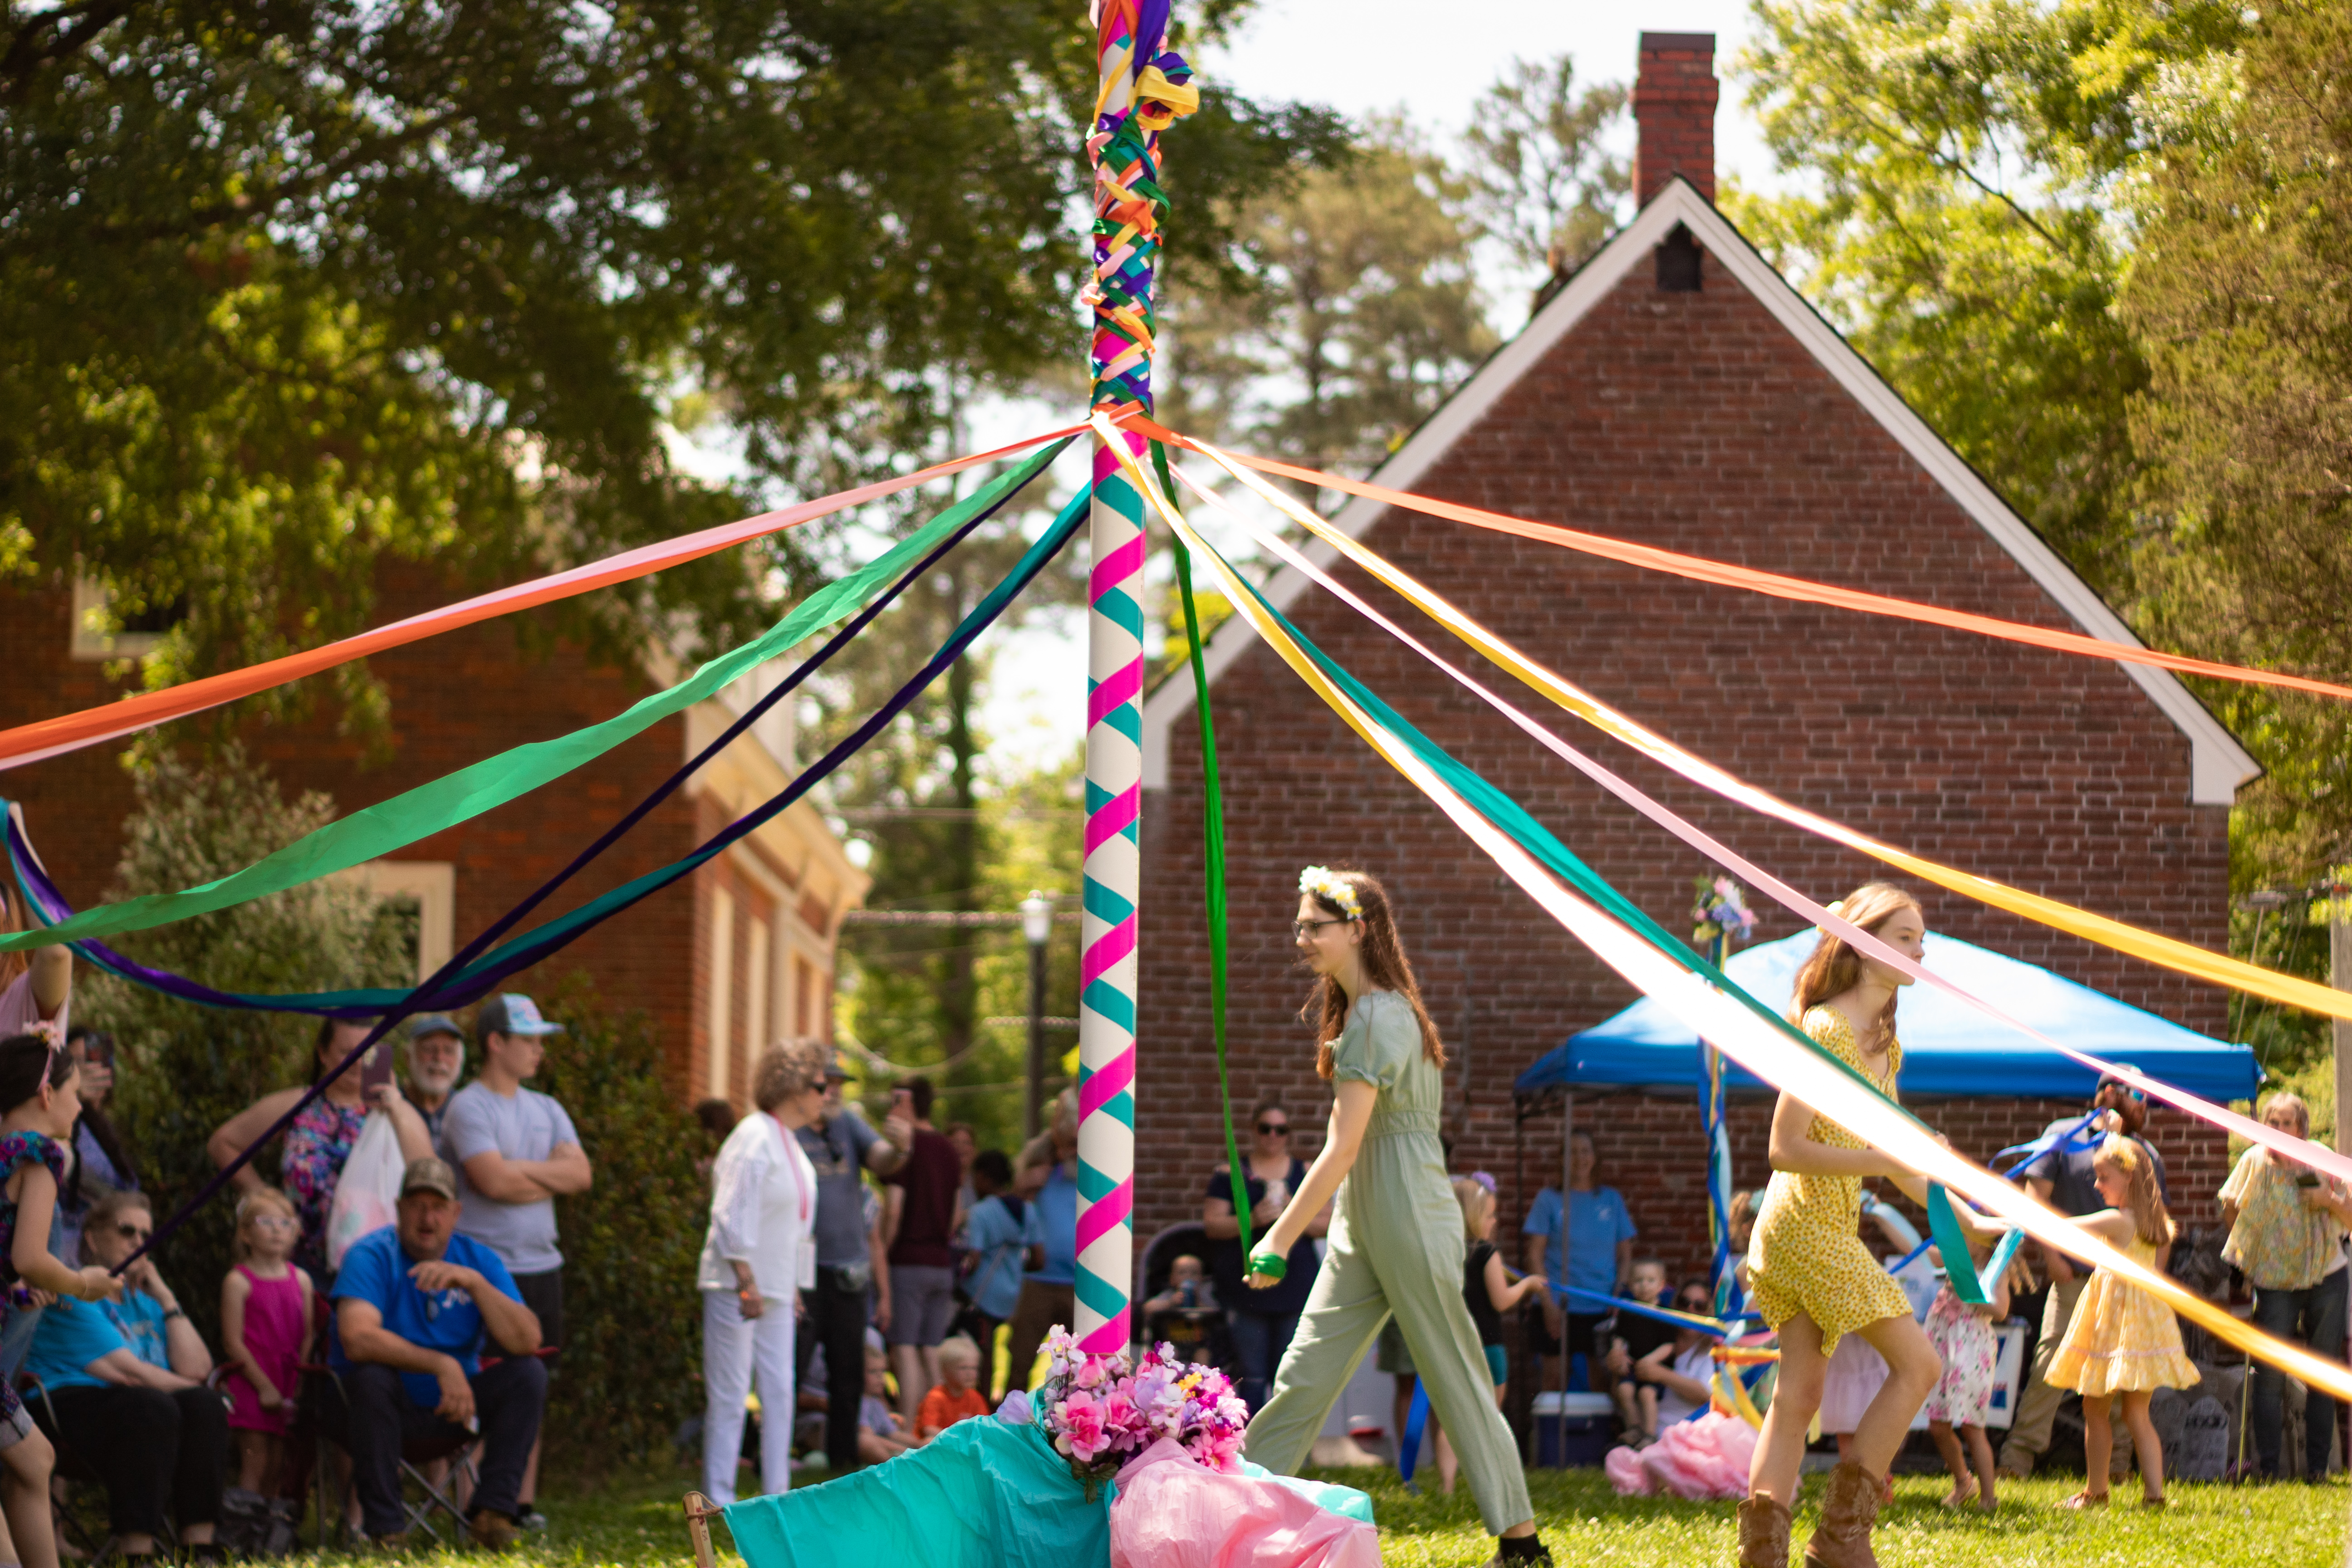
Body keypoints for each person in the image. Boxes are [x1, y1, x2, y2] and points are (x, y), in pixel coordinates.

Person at [1241, 867, 1547, 1567]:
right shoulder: (1367, 1014)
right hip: (1365, 1217)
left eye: (1315, 926)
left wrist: (1280, 1236)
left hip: (1408, 1209)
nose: (1303, 938)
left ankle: (1522, 1543)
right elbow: (1350, 1151)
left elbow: (1343, 1146)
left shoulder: (1379, 1017)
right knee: (1306, 1370)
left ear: (1358, 929)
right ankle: (1229, 1504)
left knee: (1454, 1371)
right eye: (1299, 926)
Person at [1737, 884, 1950, 1568]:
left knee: (1799, 1396)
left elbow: (1897, 1167)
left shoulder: (1888, 1049)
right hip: (1802, 1225)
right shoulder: (1826, 1029)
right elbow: (1784, 1148)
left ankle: (1763, 1558)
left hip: (1826, 1228)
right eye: (1907, 937)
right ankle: (1840, 1539)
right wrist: (1883, 1158)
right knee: (1919, 1365)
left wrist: (1967, 1217)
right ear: (1861, 943)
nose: (1922, 950)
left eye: (1922, 938)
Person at [321, 1156, 544, 1550]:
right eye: (418, 1206)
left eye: (439, 1207)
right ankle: (386, 1531)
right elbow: (357, 1338)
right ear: (400, 1208)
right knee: (371, 1377)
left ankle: (493, 1515)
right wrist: (441, 1364)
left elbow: (527, 1340)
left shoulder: (477, 1260)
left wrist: (476, 1285)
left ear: (456, 1213)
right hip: (374, 1414)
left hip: (454, 1411)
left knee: (529, 1374)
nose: (428, 1218)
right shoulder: (370, 1254)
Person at [443, 993, 588, 1523]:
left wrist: (518, 1174)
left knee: (535, 1383)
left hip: (542, 1267)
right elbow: (490, 1181)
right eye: (528, 1040)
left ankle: (517, 1503)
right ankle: (463, 1502)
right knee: (480, 1384)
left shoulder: (548, 1107)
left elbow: (581, 1176)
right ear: (495, 1042)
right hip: (483, 1269)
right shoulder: (468, 1106)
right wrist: (542, 1175)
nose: (538, 1051)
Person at [25, 1189, 223, 1564]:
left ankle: (202, 1548)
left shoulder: (145, 1302)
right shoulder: (73, 1293)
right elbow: (127, 1372)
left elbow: (198, 1370)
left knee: (202, 1406)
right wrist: (216, 1395)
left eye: (146, 1235)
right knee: (150, 1405)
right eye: (127, 1231)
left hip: (144, 1411)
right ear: (92, 1239)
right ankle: (136, 1553)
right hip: (65, 1410)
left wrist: (166, 1299)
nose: (138, 1242)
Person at [1995, 1070, 2166, 1480]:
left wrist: (2155, 1285)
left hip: (2126, 1289)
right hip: (2074, 1277)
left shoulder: (2145, 1155)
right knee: (2052, 1361)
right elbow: (2036, 1196)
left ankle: (2118, 1467)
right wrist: (2052, 1257)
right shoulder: (2063, 1135)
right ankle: (2017, 1460)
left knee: (2123, 1372)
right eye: (2137, 1097)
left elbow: (2158, 1225)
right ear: (2108, 1094)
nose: (2144, 1107)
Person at [0, 1033, 126, 1568]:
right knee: (32, 1457)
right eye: (74, 1092)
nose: (81, 1106)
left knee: (33, 1460)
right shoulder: (40, 1154)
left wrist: (17, 1290)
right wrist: (82, 1284)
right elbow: (30, 1253)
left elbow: (14, 1263)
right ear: (47, 1093)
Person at [206, 1018, 436, 1284]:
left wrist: (395, 1108)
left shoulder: (393, 1112)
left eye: (367, 1052)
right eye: (347, 1052)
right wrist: (262, 1197)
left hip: (371, 1271)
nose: (359, 1061)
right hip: (297, 1266)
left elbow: (428, 1172)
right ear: (323, 1053)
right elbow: (223, 1144)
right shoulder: (298, 1104)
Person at [698, 1043, 826, 1504]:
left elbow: (793, 1228)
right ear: (792, 1088)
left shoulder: (790, 1141)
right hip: (738, 1284)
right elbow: (730, 1213)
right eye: (819, 1085)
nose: (825, 1095)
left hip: (774, 1288)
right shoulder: (753, 1135)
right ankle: (719, 1503)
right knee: (731, 1398)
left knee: (780, 1394)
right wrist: (747, 1280)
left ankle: (776, 1499)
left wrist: (791, 1285)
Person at [2044, 1133, 2197, 1508]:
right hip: (2144, 1326)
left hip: (2113, 1325)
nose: (2097, 1185)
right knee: (2136, 1414)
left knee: (2095, 1410)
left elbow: (2066, 1228)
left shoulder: (2117, 1219)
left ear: (2128, 1177)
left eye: (2104, 1177)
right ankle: (2155, 1495)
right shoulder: (2158, 1224)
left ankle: (2096, 1492)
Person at [2217, 1090, 2352, 1482]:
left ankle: (2317, 1470)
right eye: (2271, 1123)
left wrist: (2327, 1198)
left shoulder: (2320, 1159)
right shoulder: (2253, 1161)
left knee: (2322, 1373)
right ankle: (2269, 1469)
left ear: (2302, 1128)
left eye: (2285, 1123)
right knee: (2270, 1374)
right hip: (2276, 1280)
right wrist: (2251, 1250)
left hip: (2326, 1274)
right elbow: (2231, 1207)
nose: (2276, 1129)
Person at [792, 1057, 910, 1474]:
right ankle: (779, 1453)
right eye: (826, 1084)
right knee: (792, 1366)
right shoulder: (790, 1129)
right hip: (802, 1272)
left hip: (849, 1273)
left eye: (840, 1083)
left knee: (849, 1372)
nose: (834, 1092)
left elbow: (883, 1160)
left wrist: (900, 1146)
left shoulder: (850, 1125)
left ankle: (841, 1463)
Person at [1205, 1096, 1327, 1412]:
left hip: (1295, 1283)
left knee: (1290, 1373)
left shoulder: (1306, 1172)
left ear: (1289, 1134)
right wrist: (1252, 1219)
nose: (1273, 1136)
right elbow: (1212, 1225)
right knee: (1252, 1374)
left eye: (1281, 1129)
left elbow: (1327, 1224)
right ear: (1254, 1131)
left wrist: (1292, 1211)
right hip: (1245, 1283)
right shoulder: (1230, 1173)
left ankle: (1290, 1450)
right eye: (1266, 1128)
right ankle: (1247, 1446)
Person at [1431, 1176, 1542, 1496]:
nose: (1494, 1223)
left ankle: (1447, 1487)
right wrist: (1529, 1285)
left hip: (1455, 1344)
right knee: (1490, 1418)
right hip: (1489, 1347)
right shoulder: (1487, 1253)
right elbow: (1502, 1301)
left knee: (1452, 1420)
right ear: (1473, 1217)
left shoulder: (1443, 1253)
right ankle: (1494, 1486)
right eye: (1490, 1216)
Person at [1523, 1132, 1636, 1396]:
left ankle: (1598, 1438)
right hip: (1557, 1305)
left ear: (1595, 1157)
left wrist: (1618, 1295)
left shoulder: (1611, 1199)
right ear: (1561, 1159)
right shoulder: (1548, 1199)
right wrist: (1548, 1304)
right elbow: (1534, 1255)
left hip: (1600, 1306)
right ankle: (1547, 1438)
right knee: (1553, 1380)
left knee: (1601, 1381)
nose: (1580, 1158)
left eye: (1585, 1151)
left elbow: (1626, 1255)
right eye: (1572, 1152)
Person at [218, 1188, 314, 1498]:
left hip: (289, 1378)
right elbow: (233, 1342)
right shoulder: (238, 1281)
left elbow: (309, 1333)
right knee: (256, 1461)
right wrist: (263, 1387)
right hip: (253, 1381)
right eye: (266, 1221)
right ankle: (246, 1532)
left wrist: (299, 1382)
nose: (277, 1229)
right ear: (245, 1234)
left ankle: (271, 1535)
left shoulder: (301, 1280)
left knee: (280, 1462)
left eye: (285, 1222)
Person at [1922, 1227, 2024, 1513]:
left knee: (1972, 1426)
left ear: (1985, 1243)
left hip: (1971, 1352)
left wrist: (1973, 1295)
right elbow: (1918, 1251)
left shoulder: (1994, 1272)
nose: (1957, 1239)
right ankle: (1964, 1482)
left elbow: (2002, 1310)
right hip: (1944, 1347)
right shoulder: (1951, 1262)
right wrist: (1884, 1214)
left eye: (1966, 1234)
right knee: (1938, 1425)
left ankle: (1989, 1497)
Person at [881, 1076, 960, 1431]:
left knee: (906, 1348)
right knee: (931, 1349)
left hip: (908, 1262)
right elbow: (956, 1212)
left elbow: (894, 1209)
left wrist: (881, 1253)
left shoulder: (906, 1149)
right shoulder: (948, 1150)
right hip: (942, 1263)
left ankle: (908, 1430)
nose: (891, 1107)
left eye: (896, 1100)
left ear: (909, 1103)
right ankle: (939, 1428)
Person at [1004, 1090, 1080, 1398]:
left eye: (1077, 1145)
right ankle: (1008, 1420)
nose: (1071, 1152)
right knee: (1020, 1358)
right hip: (1038, 1280)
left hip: (1079, 1285)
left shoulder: (1096, 1176)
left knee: (1074, 1367)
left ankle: (1067, 1419)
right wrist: (1023, 1184)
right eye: (1067, 1145)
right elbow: (1012, 1201)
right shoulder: (1041, 1172)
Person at [57, 1027, 138, 1269]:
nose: (89, 1071)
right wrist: (70, 1096)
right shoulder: (57, 1123)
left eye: (95, 1061)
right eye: (77, 1063)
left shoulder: (108, 1130)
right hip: (63, 1256)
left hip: (106, 1260)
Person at [958, 1151, 1026, 1392]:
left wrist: (960, 1275)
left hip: (983, 1295)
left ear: (984, 1177)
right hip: (1012, 1292)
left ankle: (980, 1401)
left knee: (982, 1351)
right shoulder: (1027, 1211)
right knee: (1001, 1350)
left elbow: (974, 1258)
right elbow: (1038, 1258)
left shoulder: (980, 1212)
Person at [1609, 1259, 1679, 1448]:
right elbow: (1619, 1337)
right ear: (1630, 1286)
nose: (1644, 1286)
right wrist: (1618, 1352)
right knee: (1624, 1390)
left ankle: (1650, 1434)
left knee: (1647, 1393)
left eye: (1651, 1281)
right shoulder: (1628, 1311)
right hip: (1632, 1364)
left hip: (1655, 1366)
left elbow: (1669, 1345)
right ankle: (1634, 1428)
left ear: (1662, 1285)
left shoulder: (1664, 1313)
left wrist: (1651, 1360)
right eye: (1638, 1281)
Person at [401, 1015, 467, 1147]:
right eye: (429, 1049)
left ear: (460, 1060)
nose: (439, 1058)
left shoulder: (466, 1109)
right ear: (408, 1057)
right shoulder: (392, 1107)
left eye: (449, 1051)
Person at [915, 1335, 989, 1443]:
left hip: (962, 1443)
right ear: (945, 1371)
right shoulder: (936, 1397)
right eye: (963, 1368)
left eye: (974, 1368)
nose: (970, 1373)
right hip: (943, 1442)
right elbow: (929, 1429)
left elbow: (984, 1426)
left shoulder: (975, 1397)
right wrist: (958, 1438)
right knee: (929, 1441)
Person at [854, 1347, 913, 1464]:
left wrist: (921, 1445)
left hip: (879, 1447)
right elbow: (869, 1438)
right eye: (873, 1372)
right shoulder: (859, 1403)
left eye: (883, 1372)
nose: (880, 1377)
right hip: (861, 1449)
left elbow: (894, 1433)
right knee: (867, 1442)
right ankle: (896, 1467)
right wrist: (907, 1451)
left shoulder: (876, 1403)